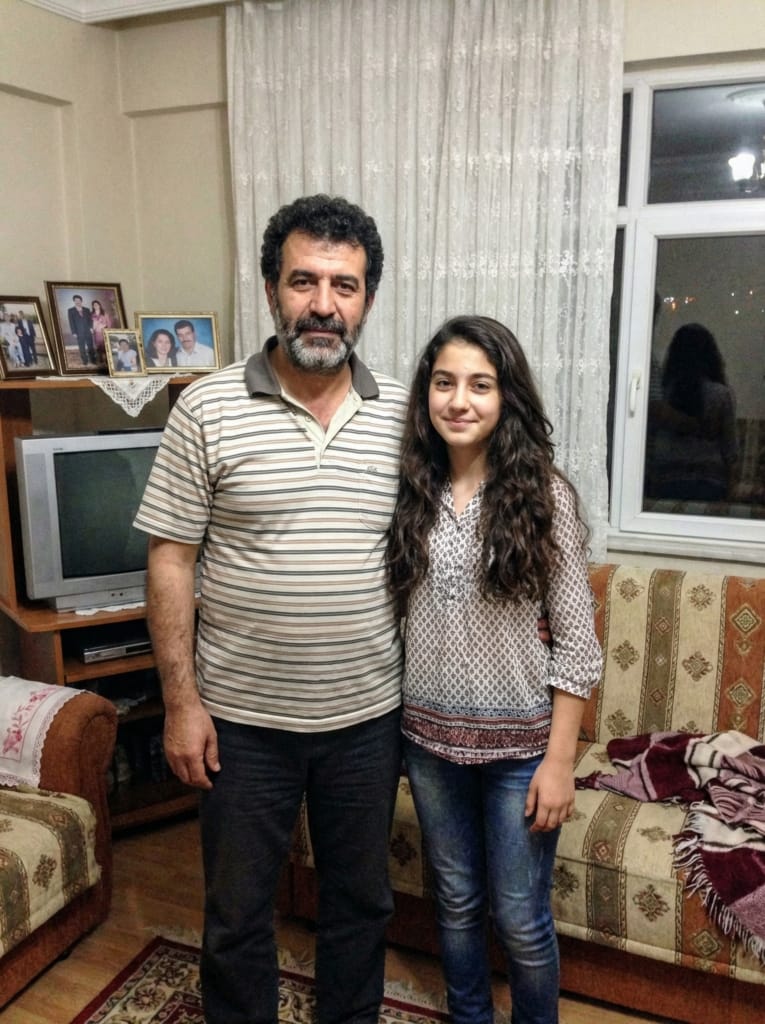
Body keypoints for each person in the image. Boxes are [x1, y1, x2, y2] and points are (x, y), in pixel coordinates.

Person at [133, 194, 408, 1024]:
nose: (323, 304)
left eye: (344, 285)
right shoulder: (206, 408)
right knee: (237, 913)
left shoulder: (404, 415)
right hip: (241, 724)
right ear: (269, 290)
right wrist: (181, 704)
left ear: (367, 298)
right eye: (303, 281)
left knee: (360, 906)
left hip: (367, 720)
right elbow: (170, 560)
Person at [386, 315, 602, 1024]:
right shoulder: (409, 490)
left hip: (520, 753)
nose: (459, 401)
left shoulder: (543, 496)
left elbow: (577, 643)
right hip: (428, 746)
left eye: (479, 385)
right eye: (444, 383)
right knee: (454, 903)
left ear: (506, 396)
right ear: (425, 393)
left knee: (519, 919)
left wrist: (559, 763)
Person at [647, 322, 738, 502]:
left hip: (668, 481)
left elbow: (652, 440)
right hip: (711, 483)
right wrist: (731, 489)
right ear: (710, 356)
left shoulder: (663, 393)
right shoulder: (721, 395)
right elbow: (730, 448)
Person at [67, 294, 95, 366]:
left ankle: (93, 360)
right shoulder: (70, 310)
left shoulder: (87, 309)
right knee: (82, 347)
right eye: (76, 300)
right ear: (74, 301)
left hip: (88, 331)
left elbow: (90, 320)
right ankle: (85, 361)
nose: (77, 302)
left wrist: (91, 328)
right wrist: (74, 332)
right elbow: (71, 322)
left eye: (79, 300)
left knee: (90, 346)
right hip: (79, 332)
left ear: (81, 301)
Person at [90, 300, 111, 365]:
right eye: (94, 305)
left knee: (105, 346)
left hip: (103, 331)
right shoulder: (91, 314)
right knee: (98, 346)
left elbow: (109, 323)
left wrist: (108, 330)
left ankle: (107, 360)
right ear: (93, 306)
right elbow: (90, 323)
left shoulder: (104, 313)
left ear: (99, 305)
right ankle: (101, 359)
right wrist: (91, 328)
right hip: (96, 332)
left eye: (97, 304)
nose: (96, 306)